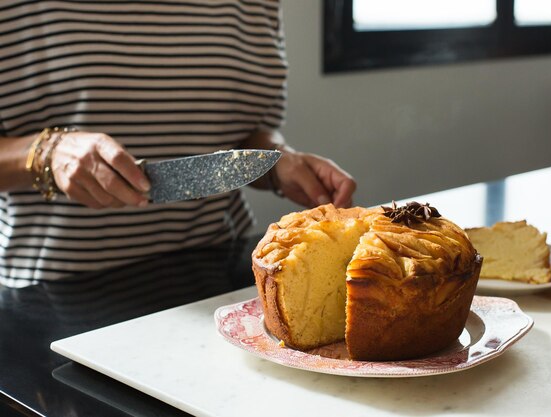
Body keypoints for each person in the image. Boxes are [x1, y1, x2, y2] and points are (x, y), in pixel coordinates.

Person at [0, 1, 356, 287]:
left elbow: (252, 127)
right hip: (59, 291)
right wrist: (45, 154)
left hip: (216, 276)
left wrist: (280, 164)